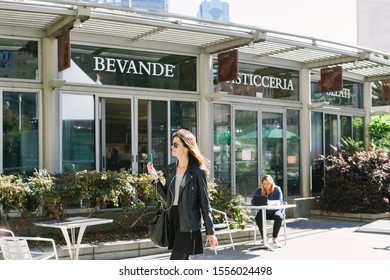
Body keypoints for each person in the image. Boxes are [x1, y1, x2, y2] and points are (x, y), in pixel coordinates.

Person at [147, 128, 218, 260]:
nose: (171, 147)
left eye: (175, 144)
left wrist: (210, 232)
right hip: (172, 219)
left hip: (188, 223)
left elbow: (204, 204)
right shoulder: (171, 169)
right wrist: (155, 178)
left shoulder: (197, 172)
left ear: (186, 147)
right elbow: (167, 198)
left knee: (177, 259)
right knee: (182, 259)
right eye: (172, 144)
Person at [251, 175, 284, 244]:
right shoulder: (259, 190)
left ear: (271, 183)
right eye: (264, 184)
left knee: (279, 217)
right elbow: (253, 201)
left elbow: (280, 201)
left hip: (275, 211)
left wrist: (270, 203)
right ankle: (264, 237)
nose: (266, 186)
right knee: (258, 218)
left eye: (267, 184)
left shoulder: (277, 189)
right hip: (264, 211)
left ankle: (274, 237)